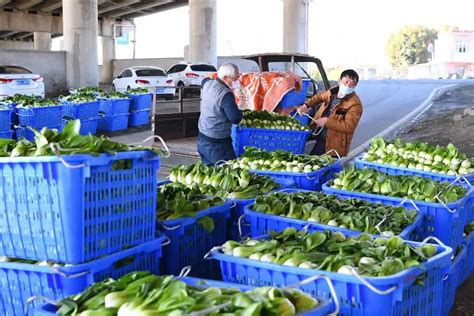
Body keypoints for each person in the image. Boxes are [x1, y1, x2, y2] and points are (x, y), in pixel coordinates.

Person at [297, 69, 362, 157]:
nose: (348, 86)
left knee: (326, 167)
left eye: (352, 84)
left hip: (334, 144)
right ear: (339, 81)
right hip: (321, 137)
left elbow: (349, 126)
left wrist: (326, 121)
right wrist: (306, 105)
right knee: (312, 161)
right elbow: (319, 97)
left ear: (355, 85)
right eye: (346, 82)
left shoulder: (355, 104)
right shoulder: (332, 92)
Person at [197, 63, 243, 165]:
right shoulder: (226, 94)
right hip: (218, 144)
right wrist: (241, 110)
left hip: (202, 138)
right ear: (226, 78)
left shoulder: (207, 84)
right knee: (229, 171)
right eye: (235, 78)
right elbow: (235, 118)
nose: (237, 81)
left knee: (209, 172)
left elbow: (204, 80)